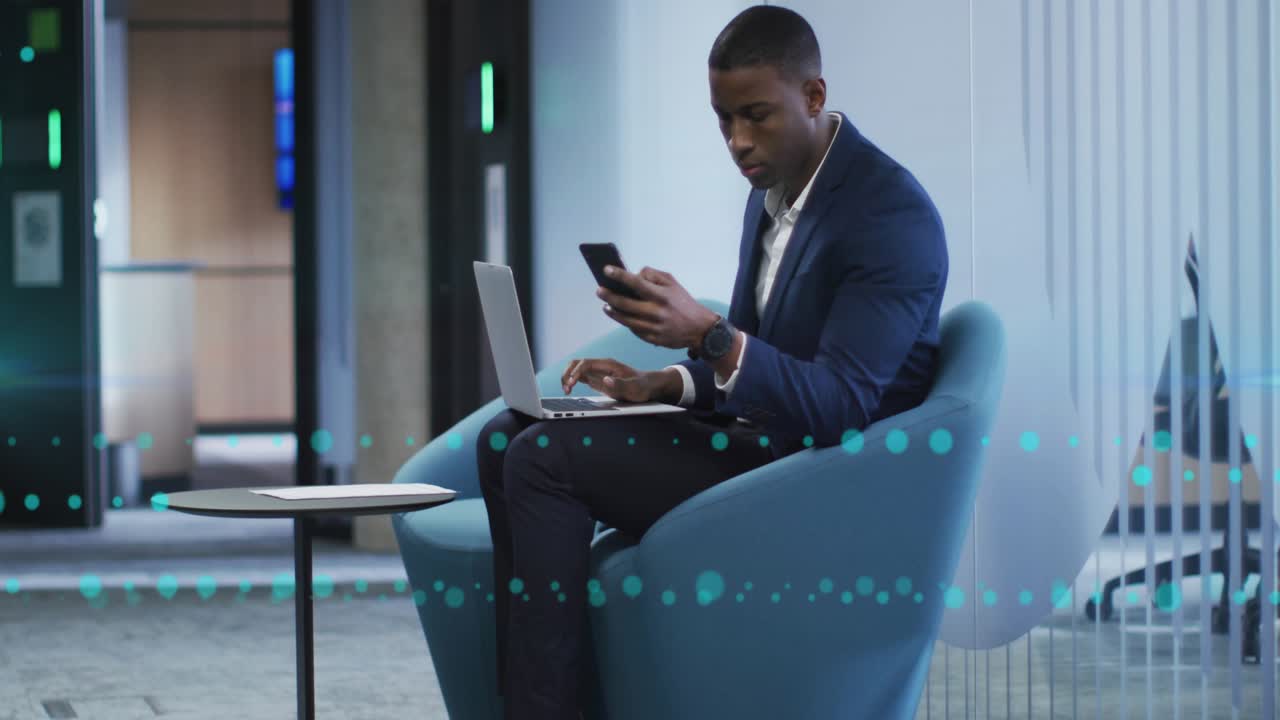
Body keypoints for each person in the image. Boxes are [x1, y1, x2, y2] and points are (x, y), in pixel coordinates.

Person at [477, 5, 948, 718]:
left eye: (755, 115)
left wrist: (709, 336)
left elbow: (841, 407)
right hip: (759, 441)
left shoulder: (889, 217)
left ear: (814, 97)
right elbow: (764, 355)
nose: (737, 141)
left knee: (542, 462)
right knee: (506, 437)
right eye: (723, 119)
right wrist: (660, 381)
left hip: (814, 477)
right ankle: (531, 699)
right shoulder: (773, 191)